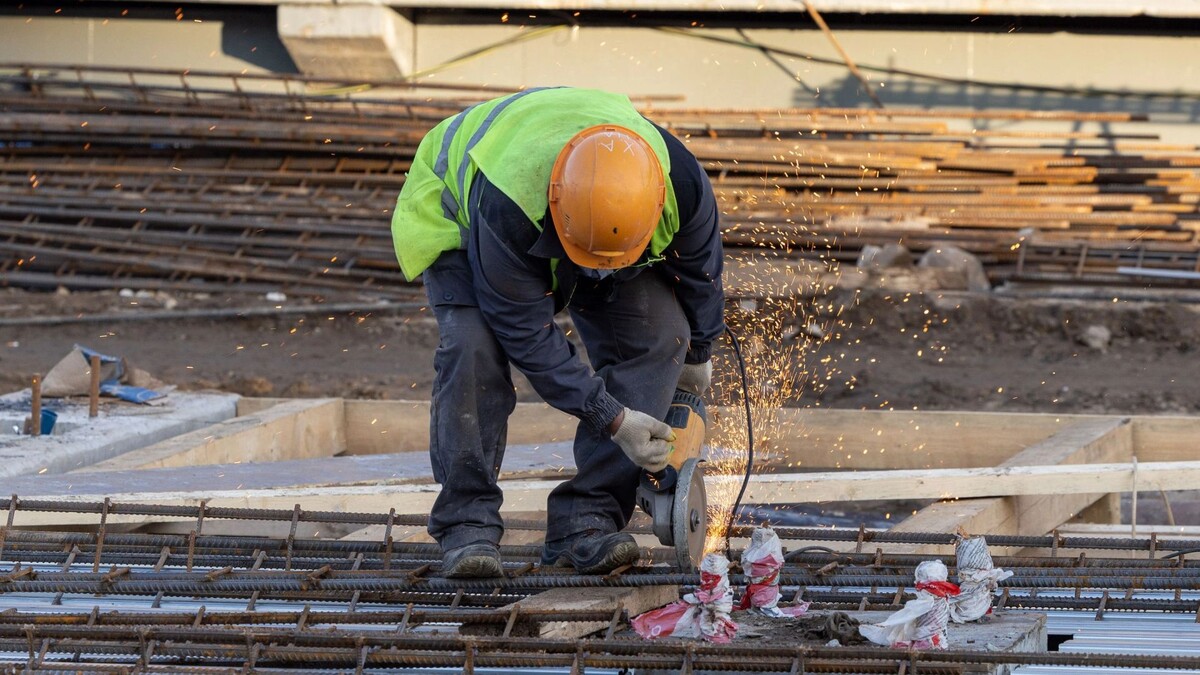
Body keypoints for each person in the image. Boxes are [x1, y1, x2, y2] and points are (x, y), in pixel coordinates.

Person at [391, 87, 724, 577]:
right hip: (465, 217)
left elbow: (701, 275)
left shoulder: (681, 183)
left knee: (661, 335)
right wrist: (614, 419)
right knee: (473, 348)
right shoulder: (509, 205)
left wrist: (697, 353)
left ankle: (586, 521)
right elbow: (527, 336)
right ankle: (467, 527)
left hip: (591, 223)